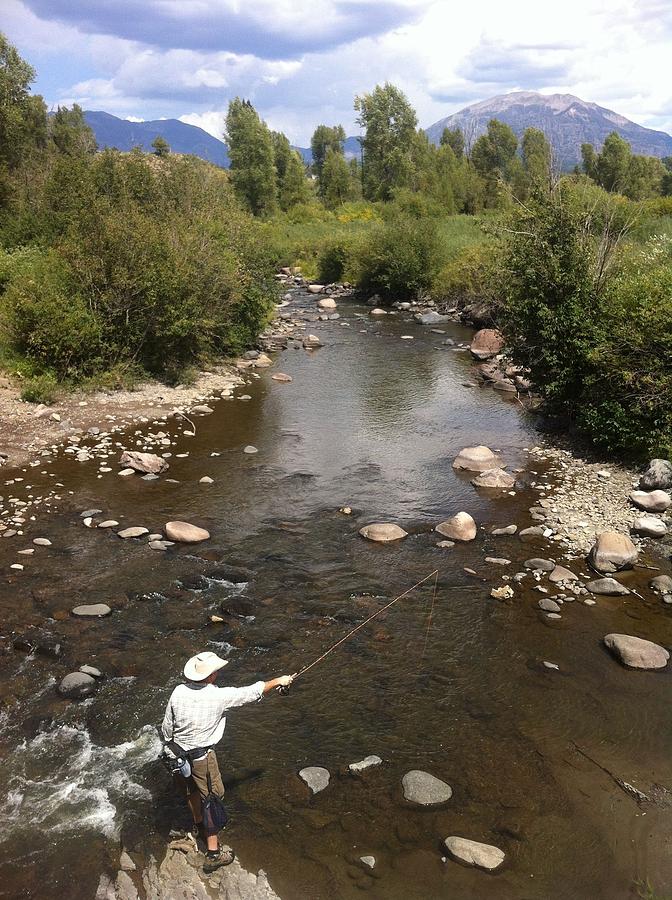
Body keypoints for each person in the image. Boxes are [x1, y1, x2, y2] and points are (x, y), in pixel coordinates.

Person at [161, 650, 295, 873]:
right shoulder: (219, 696)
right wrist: (279, 681)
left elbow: (167, 728)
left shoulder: (178, 691)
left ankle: (198, 825)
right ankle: (213, 854)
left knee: (190, 791)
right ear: (211, 676)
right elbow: (252, 692)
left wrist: (171, 746)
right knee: (212, 800)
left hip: (176, 755)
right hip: (202, 757)